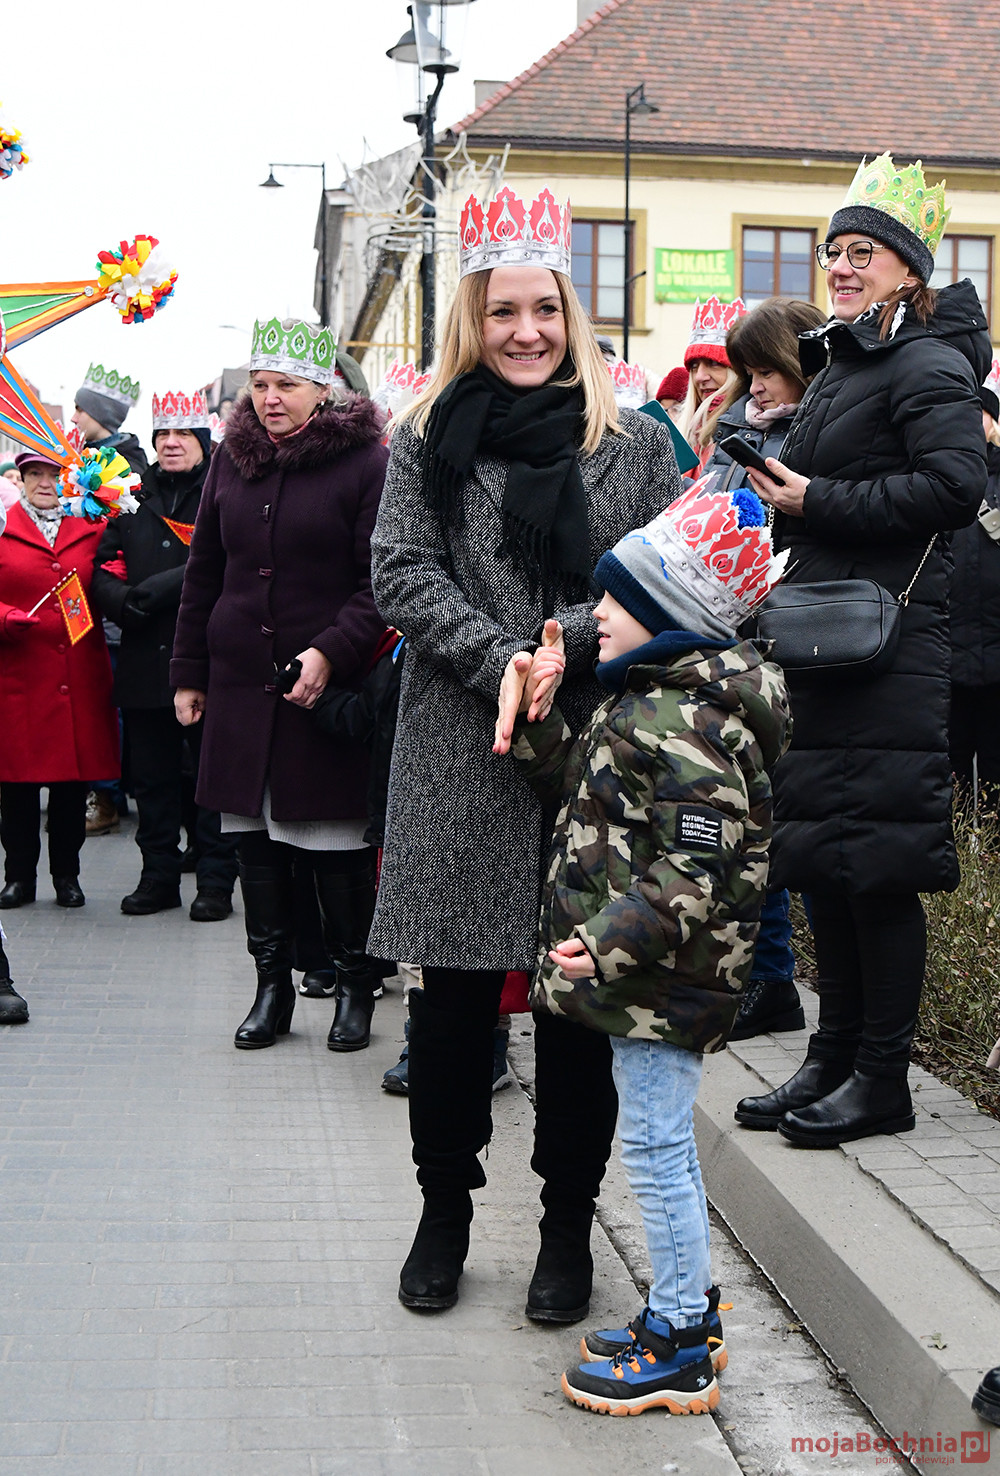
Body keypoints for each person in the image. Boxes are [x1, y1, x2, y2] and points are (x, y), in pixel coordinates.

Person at [368, 184, 683, 1318]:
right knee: (450, 1007)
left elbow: (675, 580)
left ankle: (565, 1231)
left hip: (595, 752)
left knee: (574, 1009)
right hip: (463, 744)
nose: (524, 332)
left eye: (542, 309)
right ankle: (442, 1210)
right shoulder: (424, 439)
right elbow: (399, 570)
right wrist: (503, 655)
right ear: (472, 316)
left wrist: (579, 645)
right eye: (501, 311)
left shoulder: (637, 446)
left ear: (571, 314)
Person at [507, 480, 789, 1415]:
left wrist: (605, 942)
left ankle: (677, 1341)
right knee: (656, 1140)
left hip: (664, 982)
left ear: (668, 614)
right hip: (649, 979)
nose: (596, 614)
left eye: (614, 600)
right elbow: (595, 803)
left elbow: (692, 873)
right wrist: (543, 721)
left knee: (659, 1146)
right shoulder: (652, 699)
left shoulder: (689, 721)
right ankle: (684, 1310)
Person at [736, 152, 990, 1146]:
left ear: (908, 268)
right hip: (830, 642)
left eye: (864, 252)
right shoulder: (850, 359)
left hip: (888, 644)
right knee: (821, 859)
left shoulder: (927, 359)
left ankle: (879, 1079)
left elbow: (953, 488)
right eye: (833, 251)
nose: (841, 267)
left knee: (875, 867)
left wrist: (816, 499)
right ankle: (830, 1057)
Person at [171, 317, 388, 1052]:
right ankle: (272, 989)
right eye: (259, 385)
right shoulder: (232, 461)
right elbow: (205, 573)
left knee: (333, 850)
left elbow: (378, 584)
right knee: (255, 849)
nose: (268, 399)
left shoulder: (366, 464)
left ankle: (354, 986)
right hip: (238, 688)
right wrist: (188, 674)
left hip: (317, 691)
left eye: (285, 386)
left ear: (322, 390)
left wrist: (330, 651)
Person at [700, 296, 827, 1040]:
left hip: (805, 645)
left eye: (765, 372)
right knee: (755, 820)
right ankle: (768, 979)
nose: (754, 389)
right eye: (746, 375)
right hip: (744, 646)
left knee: (790, 827)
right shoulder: (740, 434)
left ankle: (782, 982)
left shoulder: (823, 433)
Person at [92, 391, 239, 921]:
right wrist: (125, 601)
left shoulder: (222, 489)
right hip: (142, 656)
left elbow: (226, 562)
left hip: (204, 662)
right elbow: (103, 564)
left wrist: (155, 590)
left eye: (182, 435)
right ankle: (157, 877)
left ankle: (216, 883)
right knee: (151, 780)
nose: (170, 443)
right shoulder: (132, 493)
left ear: (202, 441)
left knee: (209, 779)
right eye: (162, 435)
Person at [0, 450, 118, 909]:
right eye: (35, 474)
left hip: (79, 674)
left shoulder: (92, 528)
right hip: (19, 677)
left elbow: (110, 576)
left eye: (53, 475)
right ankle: (19, 877)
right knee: (17, 788)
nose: (44, 483)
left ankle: (67, 875)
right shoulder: (3, 527)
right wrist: (6, 618)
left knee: (72, 786)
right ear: (22, 478)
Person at [72, 362, 147, 837]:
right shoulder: (82, 458)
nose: (75, 417)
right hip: (83, 600)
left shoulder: (124, 464)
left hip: (113, 601)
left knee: (113, 702)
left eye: (80, 408)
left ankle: (108, 792)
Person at [949, 359, 1000, 825]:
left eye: (977, 411)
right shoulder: (937, 479)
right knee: (950, 789)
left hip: (998, 664)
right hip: (944, 664)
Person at [680, 296, 746, 465]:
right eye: (694, 366)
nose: (700, 376)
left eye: (715, 363)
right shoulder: (684, 434)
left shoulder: (753, 431)